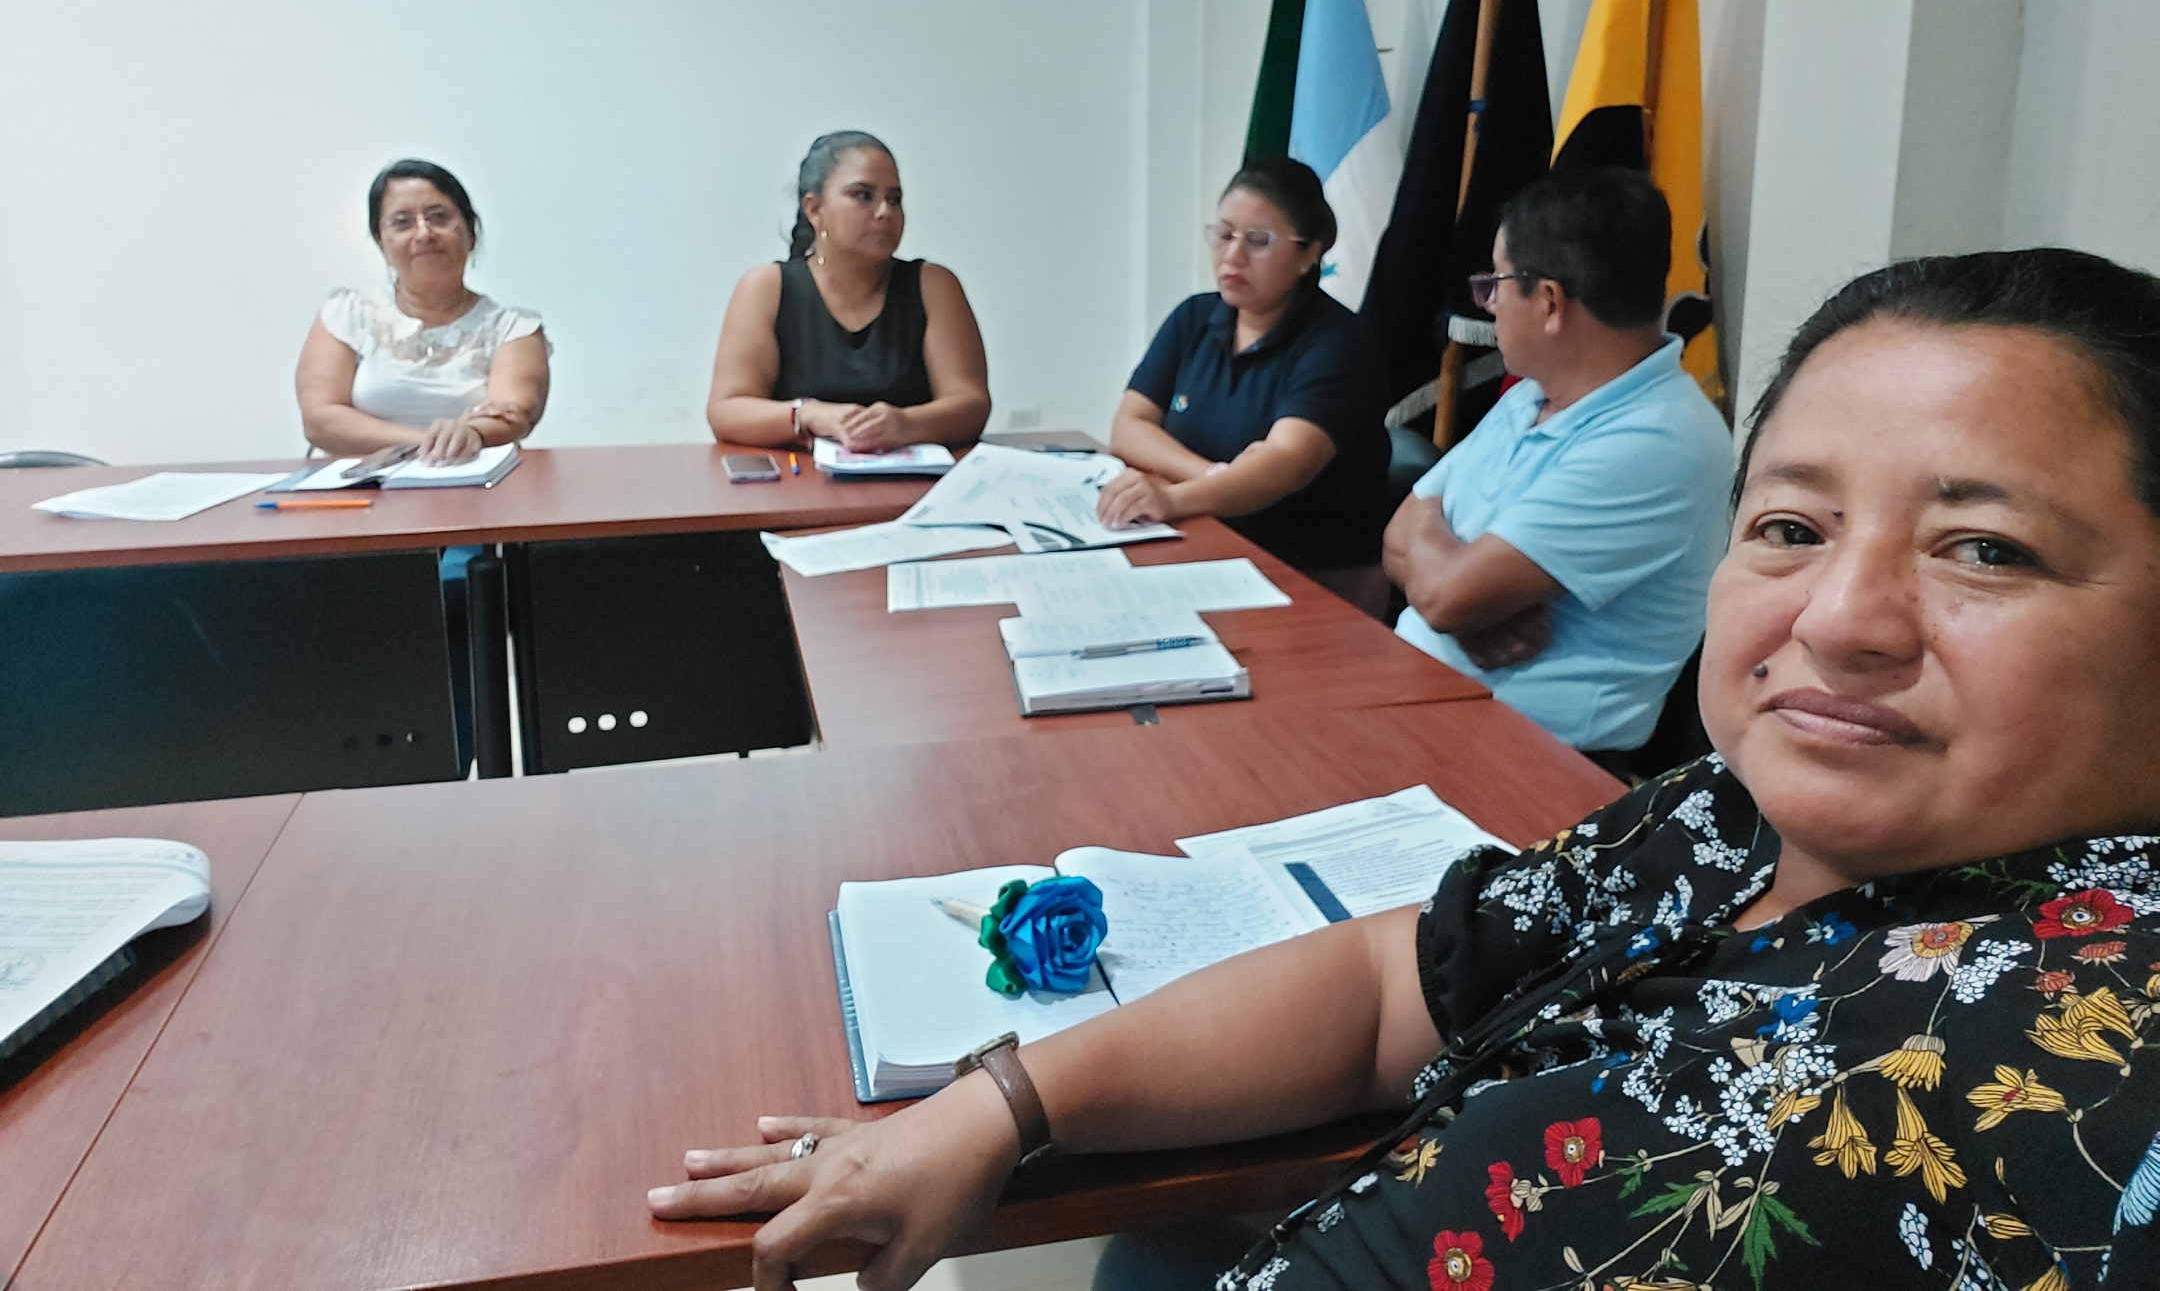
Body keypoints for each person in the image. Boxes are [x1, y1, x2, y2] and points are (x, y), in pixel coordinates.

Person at [645, 246, 2160, 1290]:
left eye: (1986, 549)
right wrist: (1000, 1105)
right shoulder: (1727, 818)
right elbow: (1399, 979)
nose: (1838, 619)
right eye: (1790, 528)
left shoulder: (2088, 1077)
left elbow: (1425, 552)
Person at [1385, 167, 1732, 752]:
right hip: (1420, 700)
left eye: (1496, 283)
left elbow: (1443, 595)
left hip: (1527, 757)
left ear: (1548, 301)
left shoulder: (1657, 438)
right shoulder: (1530, 395)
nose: (1489, 303)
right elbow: (1399, 536)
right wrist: (1459, 600)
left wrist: (1452, 591)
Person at [1098, 158, 1391, 605]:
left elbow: (1283, 463)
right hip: (1205, 545)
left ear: (1309, 254)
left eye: (1258, 241)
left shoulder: (1339, 343)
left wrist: (1173, 500)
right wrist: (1212, 476)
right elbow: (1129, 425)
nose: (1232, 256)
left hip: (1311, 579)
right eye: (1224, 234)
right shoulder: (1194, 317)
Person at [706, 132, 991, 454]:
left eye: (894, 199)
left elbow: (971, 404)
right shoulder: (767, 287)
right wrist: (809, 415)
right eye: (863, 195)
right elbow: (726, 410)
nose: (884, 211)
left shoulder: (933, 285)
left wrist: (907, 424)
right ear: (815, 209)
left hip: (915, 477)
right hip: (800, 478)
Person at [296, 159, 549, 463]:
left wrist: (474, 434)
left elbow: (513, 414)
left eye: (439, 217)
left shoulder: (513, 328)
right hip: (359, 485)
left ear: (471, 232)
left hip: (468, 484)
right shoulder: (347, 315)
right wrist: (436, 443)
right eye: (403, 222)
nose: (424, 233)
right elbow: (320, 420)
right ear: (380, 241)